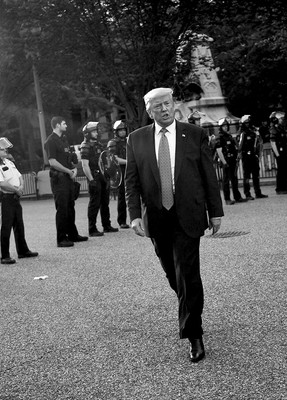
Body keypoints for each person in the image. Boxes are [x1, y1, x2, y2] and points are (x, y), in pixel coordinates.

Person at [125, 87, 223, 363]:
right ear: (149, 111)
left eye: (167, 104)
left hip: (188, 215)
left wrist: (215, 212)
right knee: (173, 274)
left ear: (173, 104)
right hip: (157, 217)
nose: (165, 110)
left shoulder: (193, 134)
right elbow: (131, 182)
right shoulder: (136, 139)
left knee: (188, 273)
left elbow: (208, 175)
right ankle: (191, 303)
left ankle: (194, 333)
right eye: (158, 107)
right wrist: (134, 215)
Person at [0, 137, 38, 264]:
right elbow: (1, 183)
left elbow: (19, 176)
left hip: (14, 198)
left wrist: (20, 187)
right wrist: (16, 190)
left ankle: (23, 251)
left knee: (19, 225)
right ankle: (4, 256)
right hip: (4, 198)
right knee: (5, 227)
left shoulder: (9, 162)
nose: (5, 149)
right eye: (1, 147)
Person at [45, 117, 87, 247]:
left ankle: (72, 234)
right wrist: (68, 171)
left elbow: (68, 158)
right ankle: (61, 238)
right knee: (62, 209)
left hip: (67, 178)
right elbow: (52, 162)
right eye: (64, 123)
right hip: (59, 179)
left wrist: (73, 169)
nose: (66, 125)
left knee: (70, 207)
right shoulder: (50, 141)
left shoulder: (63, 140)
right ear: (57, 125)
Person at [81, 122, 119, 236]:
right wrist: (91, 179)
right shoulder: (85, 145)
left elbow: (104, 159)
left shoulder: (98, 144)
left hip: (103, 176)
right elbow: (84, 165)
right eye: (93, 131)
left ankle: (106, 225)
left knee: (105, 202)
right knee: (94, 203)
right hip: (94, 176)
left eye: (96, 131)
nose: (96, 133)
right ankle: (92, 229)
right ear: (87, 133)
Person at [215, 118, 245, 204]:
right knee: (226, 181)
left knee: (234, 179)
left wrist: (237, 155)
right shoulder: (220, 137)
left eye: (226, 126)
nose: (225, 127)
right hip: (226, 160)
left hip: (232, 160)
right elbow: (219, 151)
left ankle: (237, 197)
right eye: (223, 126)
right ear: (221, 127)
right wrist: (224, 162)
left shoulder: (229, 136)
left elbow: (234, 148)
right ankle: (227, 199)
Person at [237, 115, 267, 200]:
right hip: (246, 156)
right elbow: (240, 145)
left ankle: (258, 192)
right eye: (246, 123)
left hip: (253, 156)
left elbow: (258, 142)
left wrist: (258, 154)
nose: (248, 124)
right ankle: (247, 194)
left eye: (248, 122)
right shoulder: (242, 133)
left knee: (256, 175)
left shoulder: (252, 132)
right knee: (246, 176)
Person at [110, 120, 130, 229]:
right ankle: (122, 221)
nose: (122, 132)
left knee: (134, 194)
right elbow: (115, 159)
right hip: (120, 171)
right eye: (120, 130)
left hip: (130, 169)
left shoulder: (129, 140)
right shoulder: (113, 143)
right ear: (116, 132)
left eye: (123, 130)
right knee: (122, 196)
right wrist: (129, 161)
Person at [269, 112, 287, 194]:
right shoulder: (274, 129)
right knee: (280, 171)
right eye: (280, 119)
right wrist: (277, 155)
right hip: (279, 152)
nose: (282, 120)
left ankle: (285, 187)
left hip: (284, 151)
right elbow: (273, 143)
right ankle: (279, 188)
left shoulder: (281, 128)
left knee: (285, 169)